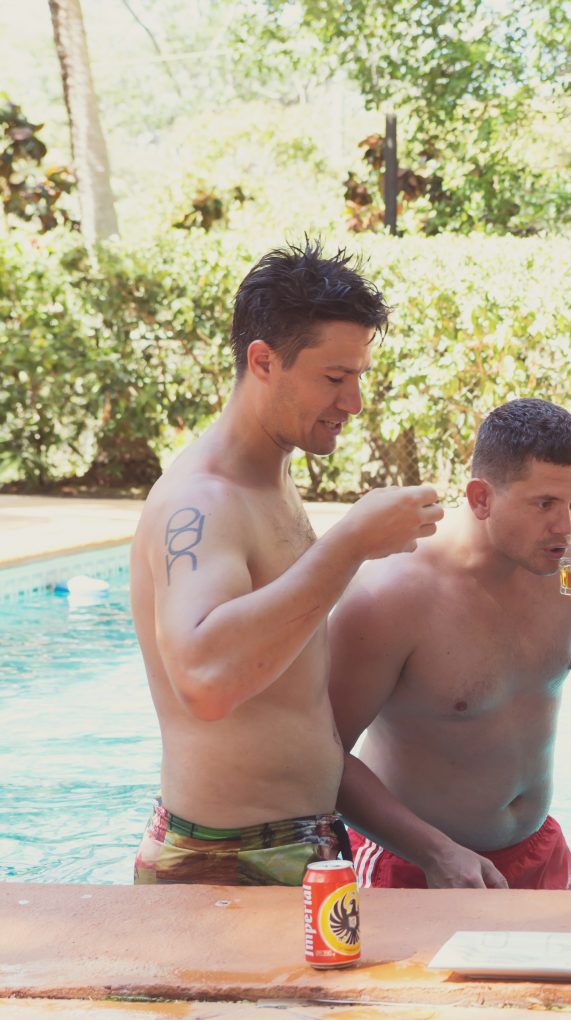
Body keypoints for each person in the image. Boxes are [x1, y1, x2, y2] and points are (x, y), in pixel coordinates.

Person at [130, 241, 443, 886]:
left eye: (358, 376)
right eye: (334, 377)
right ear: (264, 361)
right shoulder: (203, 500)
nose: (353, 402)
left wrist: (434, 849)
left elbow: (301, 720)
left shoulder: (271, 479)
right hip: (223, 862)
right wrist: (351, 541)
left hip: (304, 845)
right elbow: (206, 680)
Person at [328, 398, 571, 889]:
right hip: (416, 864)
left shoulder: (570, 557)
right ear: (481, 498)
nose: (566, 525)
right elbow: (321, 752)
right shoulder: (395, 594)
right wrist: (436, 853)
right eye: (545, 504)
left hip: (537, 849)